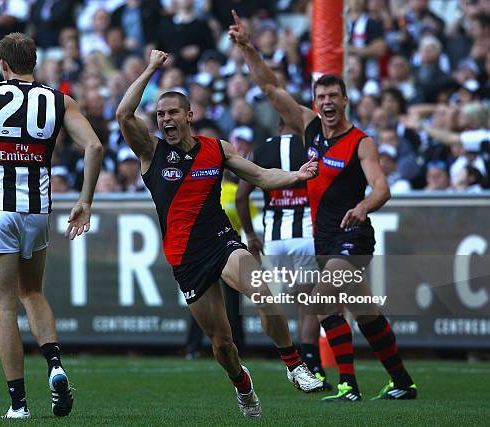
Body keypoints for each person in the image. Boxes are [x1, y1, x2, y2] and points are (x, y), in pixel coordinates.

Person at [116, 49, 322, 419]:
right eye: (161, 114)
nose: (166, 119)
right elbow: (123, 114)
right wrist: (149, 68)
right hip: (184, 256)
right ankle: (243, 385)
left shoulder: (217, 149)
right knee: (221, 343)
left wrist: (296, 176)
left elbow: (259, 176)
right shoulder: (151, 152)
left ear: (189, 115)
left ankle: (294, 365)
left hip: (221, 242)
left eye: (173, 113)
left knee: (262, 289)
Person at [230, 10, 417, 402]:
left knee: (320, 298)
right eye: (322, 96)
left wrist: (364, 206)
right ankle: (402, 381)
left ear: (345, 100)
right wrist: (248, 49)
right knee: (366, 314)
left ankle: (347, 384)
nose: (328, 101)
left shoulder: (360, 142)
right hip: (324, 237)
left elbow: (382, 188)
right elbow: (270, 88)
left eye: (334, 96)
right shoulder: (310, 128)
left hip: (353, 236)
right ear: (315, 103)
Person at [0, 33, 103, 419]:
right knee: (33, 291)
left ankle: (19, 404)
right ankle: (56, 366)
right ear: (35, 63)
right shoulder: (59, 98)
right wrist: (85, 200)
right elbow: (94, 147)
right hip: (37, 209)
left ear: (3, 64)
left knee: (5, 306)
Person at [235, 119, 331, 390]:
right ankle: (311, 366)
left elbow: (241, 197)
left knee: (273, 302)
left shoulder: (261, 150)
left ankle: (292, 358)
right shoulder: (310, 146)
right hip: (305, 234)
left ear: (278, 127)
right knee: (309, 303)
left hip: (274, 239)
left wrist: (251, 235)